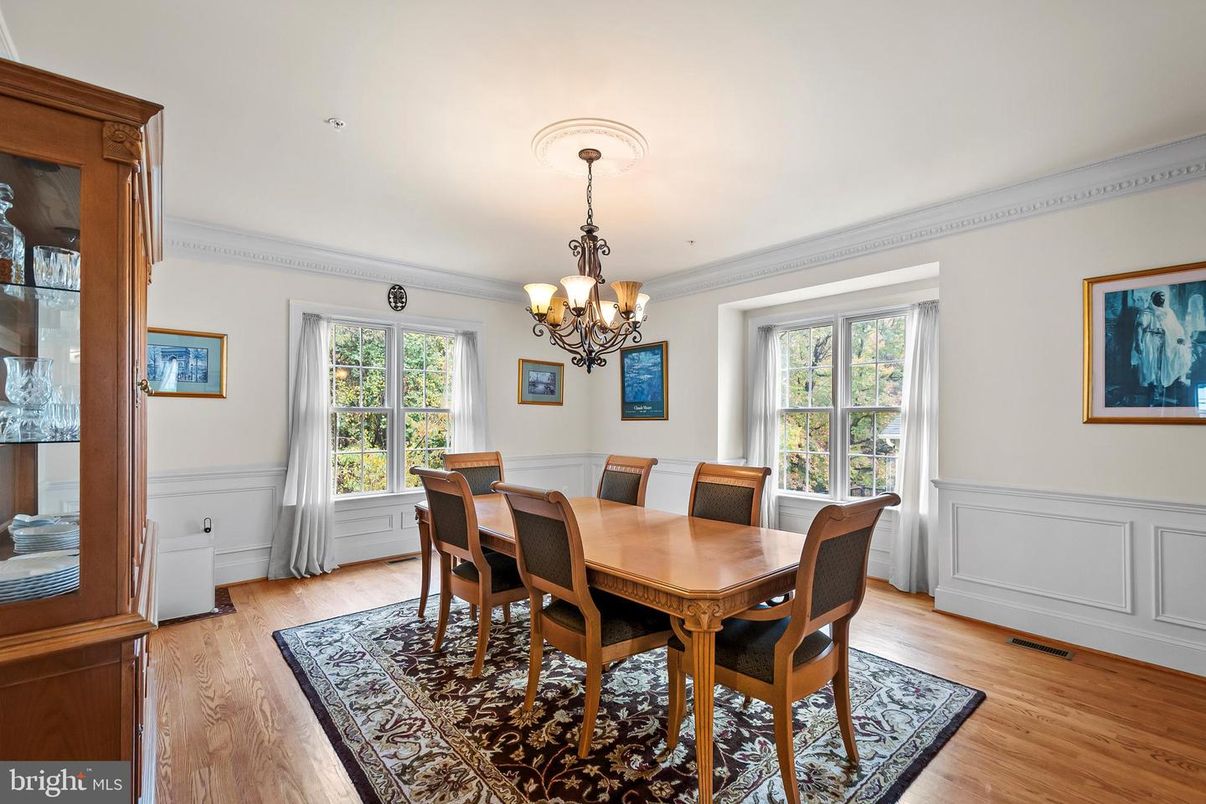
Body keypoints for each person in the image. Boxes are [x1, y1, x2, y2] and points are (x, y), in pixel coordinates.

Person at [1131, 290, 1191, 403]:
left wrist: (1180, 337)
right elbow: (1139, 327)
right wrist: (1138, 342)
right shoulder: (1147, 312)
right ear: (1153, 298)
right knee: (1152, 366)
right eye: (1159, 297)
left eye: (1163, 297)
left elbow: (1176, 328)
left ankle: (1166, 389)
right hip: (1151, 342)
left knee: (1174, 357)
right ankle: (1153, 392)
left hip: (1167, 342)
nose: (1161, 299)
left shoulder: (1169, 312)